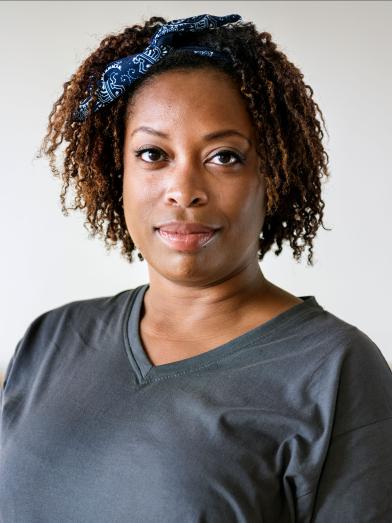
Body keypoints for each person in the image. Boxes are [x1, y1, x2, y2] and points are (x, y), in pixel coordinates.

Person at [1, 13, 391, 523]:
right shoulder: (50, 340)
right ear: (117, 170)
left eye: (224, 156)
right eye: (153, 154)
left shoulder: (335, 370)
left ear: (271, 175)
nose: (184, 189)